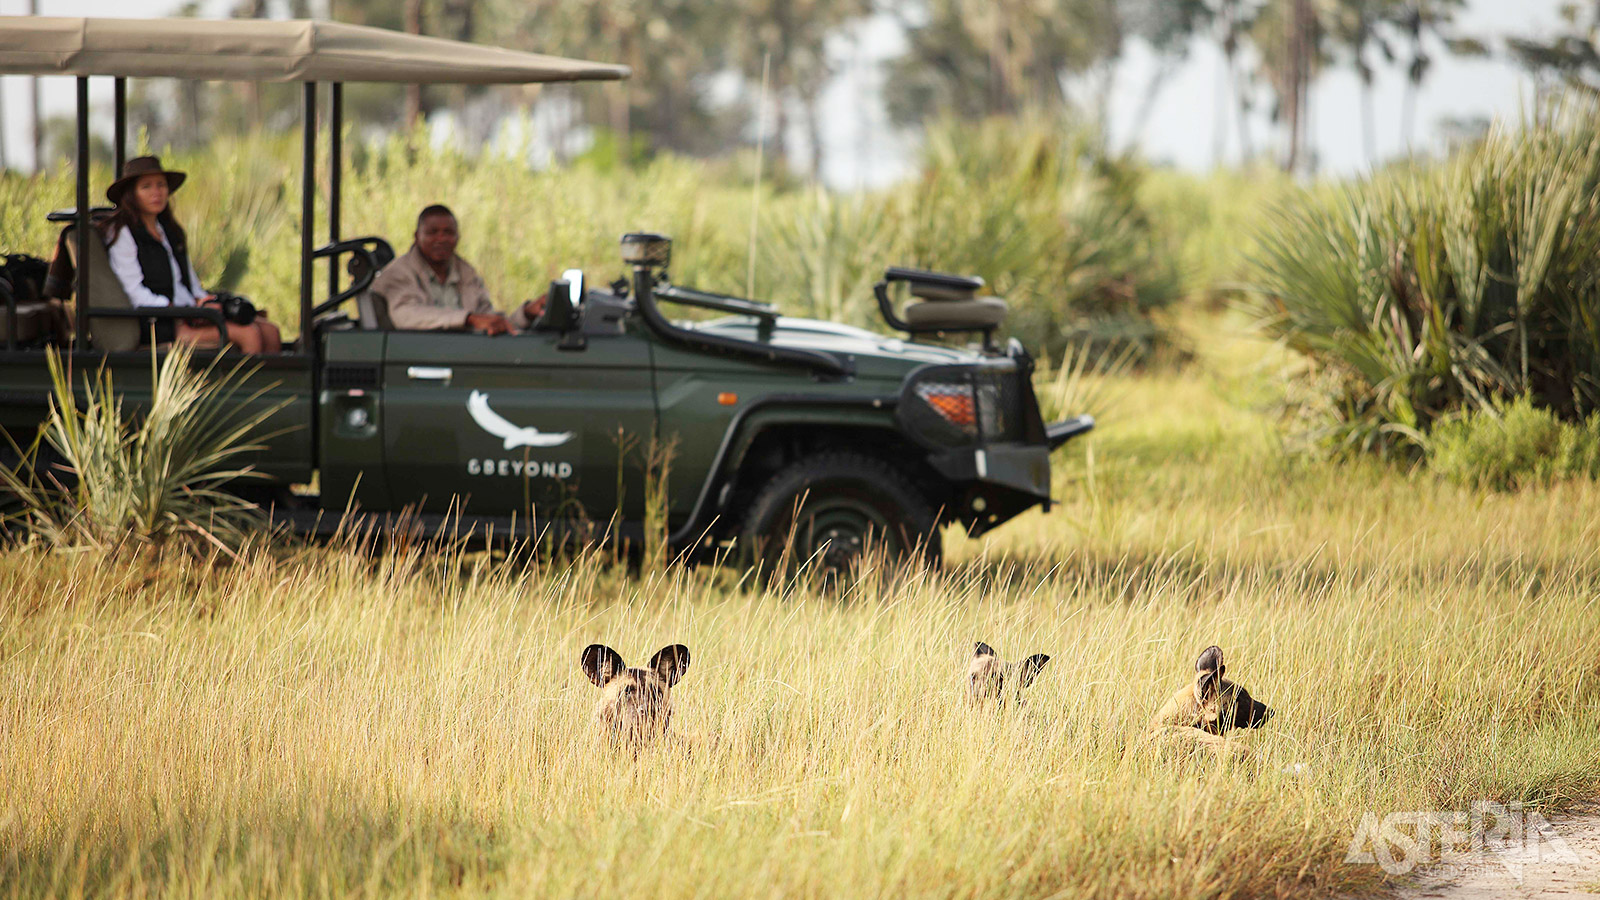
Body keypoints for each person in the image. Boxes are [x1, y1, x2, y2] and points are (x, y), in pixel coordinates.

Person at [100, 156, 282, 353]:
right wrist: (181, 311)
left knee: (271, 331)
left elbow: (190, 284)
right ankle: (249, 385)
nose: (156, 192)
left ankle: (276, 384)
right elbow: (134, 293)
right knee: (249, 334)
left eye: (161, 185)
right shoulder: (123, 233)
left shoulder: (169, 231)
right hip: (159, 323)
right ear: (131, 194)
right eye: (146, 187)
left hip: (186, 313)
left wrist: (203, 302)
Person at [371, 205, 545, 334]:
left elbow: (487, 318)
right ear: (417, 237)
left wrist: (526, 314)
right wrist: (468, 319)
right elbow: (407, 316)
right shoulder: (399, 272)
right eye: (432, 232)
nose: (441, 239)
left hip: (461, 356)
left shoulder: (465, 273)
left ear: (457, 237)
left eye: (448, 232)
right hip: (414, 358)